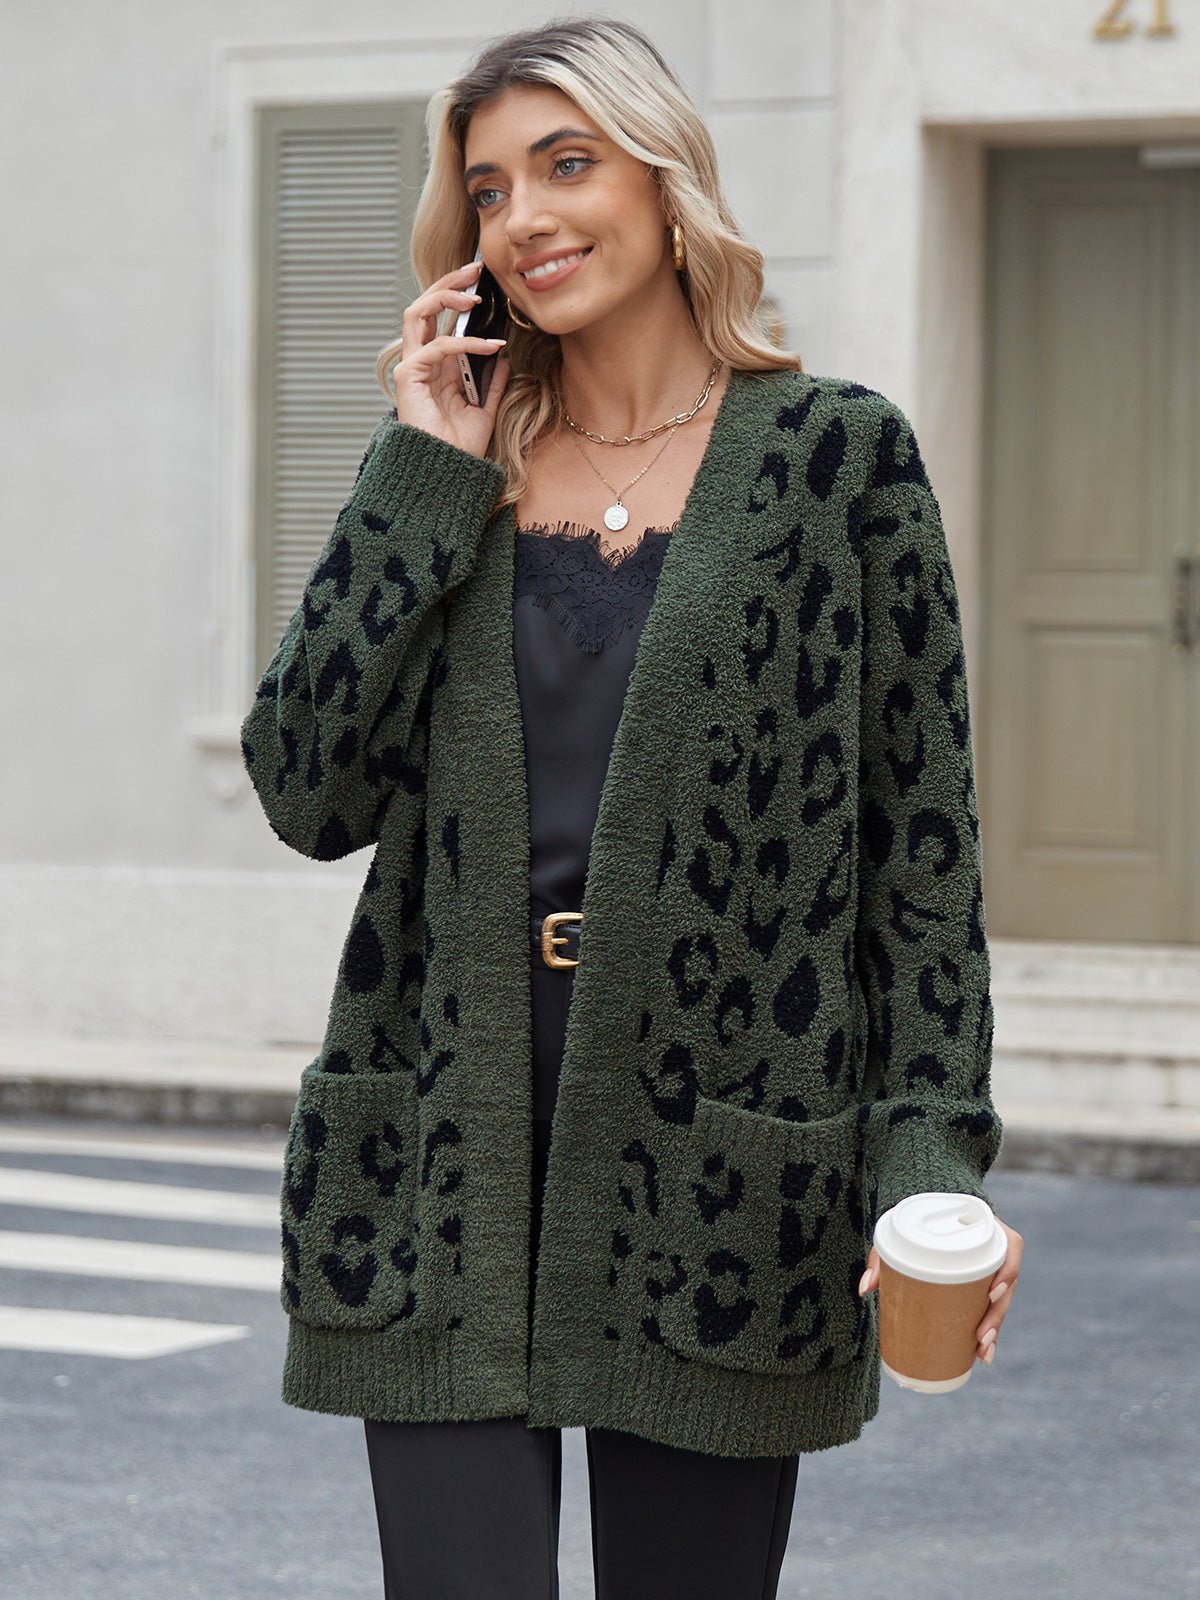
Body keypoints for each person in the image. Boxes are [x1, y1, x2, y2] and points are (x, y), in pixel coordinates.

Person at [240, 17, 1023, 1599]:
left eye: (567, 164)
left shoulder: (838, 461)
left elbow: (921, 856)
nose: (522, 216)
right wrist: (423, 471)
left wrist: (931, 1157)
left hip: (720, 1167)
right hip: (446, 1149)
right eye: (487, 189)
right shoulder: (450, 472)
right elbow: (304, 788)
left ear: (666, 187)